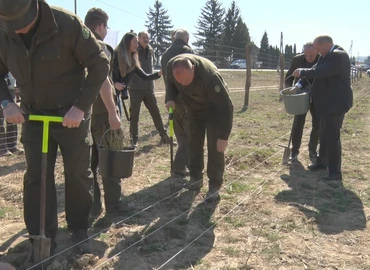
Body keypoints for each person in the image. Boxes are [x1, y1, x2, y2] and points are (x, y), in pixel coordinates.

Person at [0, 0, 109, 256]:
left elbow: (99, 65)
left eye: (21, 24)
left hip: (72, 113)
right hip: (33, 115)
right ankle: (41, 234)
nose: (18, 31)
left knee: (78, 174)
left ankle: (80, 228)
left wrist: (80, 107)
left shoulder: (67, 24)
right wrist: (6, 102)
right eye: (11, 25)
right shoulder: (4, 28)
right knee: (36, 177)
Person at [84, 8, 134, 219]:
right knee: (111, 158)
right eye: (106, 26)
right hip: (103, 112)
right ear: (101, 26)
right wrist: (113, 113)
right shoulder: (101, 47)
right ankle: (114, 204)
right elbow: (103, 80)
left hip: (83, 112)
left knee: (90, 163)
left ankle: (92, 207)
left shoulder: (77, 45)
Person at [165, 54, 234, 202]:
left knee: (215, 148)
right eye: (180, 82)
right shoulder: (171, 68)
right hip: (193, 110)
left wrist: (223, 136)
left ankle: (214, 186)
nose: (184, 85)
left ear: (193, 69)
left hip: (214, 110)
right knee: (193, 144)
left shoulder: (210, 76)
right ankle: (195, 179)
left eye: (187, 81)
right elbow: (170, 84)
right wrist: (170, 98)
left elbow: (226, 107)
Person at [293, 35, 353, 181]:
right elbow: (315, 69)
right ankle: (322, 163)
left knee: (332, 137)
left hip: (336, 104)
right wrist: (299, 85)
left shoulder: (338, 56)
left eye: (318, 48)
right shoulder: (326, 55)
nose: (317, 52)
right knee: (324, 134)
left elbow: (322, 72)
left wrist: (301, 71)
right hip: (326, 104)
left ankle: (335, 173)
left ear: (325, 45)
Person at [112, 31, 163, 147]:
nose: (137, 44)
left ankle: (118, 145)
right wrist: (115, 83)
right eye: (135, 41)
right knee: (117, 118)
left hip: (121, 94)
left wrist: (159, 74)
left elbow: (145, 76)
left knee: (117, 118)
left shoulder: (134, 59)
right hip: (110, 92)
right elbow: (106, 73)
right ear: (128, 42)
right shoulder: (115, 54)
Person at [161, 29, 194, 176]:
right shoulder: (187, 51)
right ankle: (180, 165)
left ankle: (184, 162)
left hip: (172, 99)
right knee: (190, 133)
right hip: (186, 98)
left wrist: (170, 97)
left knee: (180, 132)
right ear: (186, 39)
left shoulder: (166, 54)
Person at [129, 31, 169, 147]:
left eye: (147, 37)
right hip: (136, 88)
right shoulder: (134, 50)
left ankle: (164, 136)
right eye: (143, 38)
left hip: (148, 87)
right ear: (138, 39)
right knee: (134, 116)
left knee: (156, 112)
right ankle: (134, 141)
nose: (146, 39)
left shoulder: (151, 51)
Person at [285, 42, 320, 162]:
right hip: (300, 95)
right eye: (306, 55)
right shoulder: (297, 60)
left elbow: (310, 76)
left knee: (317, 123)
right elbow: (289, 75)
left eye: (312, 56)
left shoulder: (322, 60)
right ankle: (294, 151)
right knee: (298, 123)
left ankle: (312, 150)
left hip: (317, 95)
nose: (309, 58)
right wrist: (288, 90)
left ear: (317, 51)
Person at [0, 72, 23, 156]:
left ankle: (12, 145)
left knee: (13, 117)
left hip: (11, 87)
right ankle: (2, 148)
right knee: (0, 119)